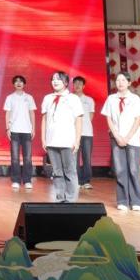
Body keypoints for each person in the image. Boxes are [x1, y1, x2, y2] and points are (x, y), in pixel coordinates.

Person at [100, 71, 140, 212]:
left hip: (132, 139)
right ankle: (122, 200)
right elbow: (108, 119)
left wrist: (127, 137)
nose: (120, 83)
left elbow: (138, 119)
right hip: (116, 138)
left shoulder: (135, 99)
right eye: (118, 80)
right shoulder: (111, 99)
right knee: (120, 170)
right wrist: (117, 136)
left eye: (123, 80)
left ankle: (136, 201)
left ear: (129, 83)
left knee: (133, 169)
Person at [41, 71, 84, 203]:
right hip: (52, 141)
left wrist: (77, 140)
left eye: (58, 79)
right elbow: (44, 119)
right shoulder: (47, 98)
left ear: (65, 82)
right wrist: (43, 139)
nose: (55, 81)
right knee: (57, 172)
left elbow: (79, 120)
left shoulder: (73, 98)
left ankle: (71, 200)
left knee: (70, 171)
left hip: (67, 141)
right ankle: (60, 199)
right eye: (53, 79)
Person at [4, 74, 36, 190]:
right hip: (14, 130)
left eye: (21, 81)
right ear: (13, 84)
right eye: (16, 81)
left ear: (24, 84)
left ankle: (27, 180)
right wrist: (7, 128)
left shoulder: (29, 97)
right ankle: (16, 180)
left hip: (27, 130)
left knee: (28, 157)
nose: (18, 83)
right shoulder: (10, 98)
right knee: (15, 157)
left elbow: (32, 113)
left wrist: (33, 128)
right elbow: (7, 113)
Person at [72, 76, 96, 190]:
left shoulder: (89, 100)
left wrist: (82, 126)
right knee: (74, 158)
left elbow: (91, 116)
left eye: (80, 83)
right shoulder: (70, 99)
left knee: (87, 157)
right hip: (73, 133)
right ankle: (76, 180)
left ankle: (86, 181)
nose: (77, 85)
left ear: (83, 86)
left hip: (86, 133)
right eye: (75, 83)